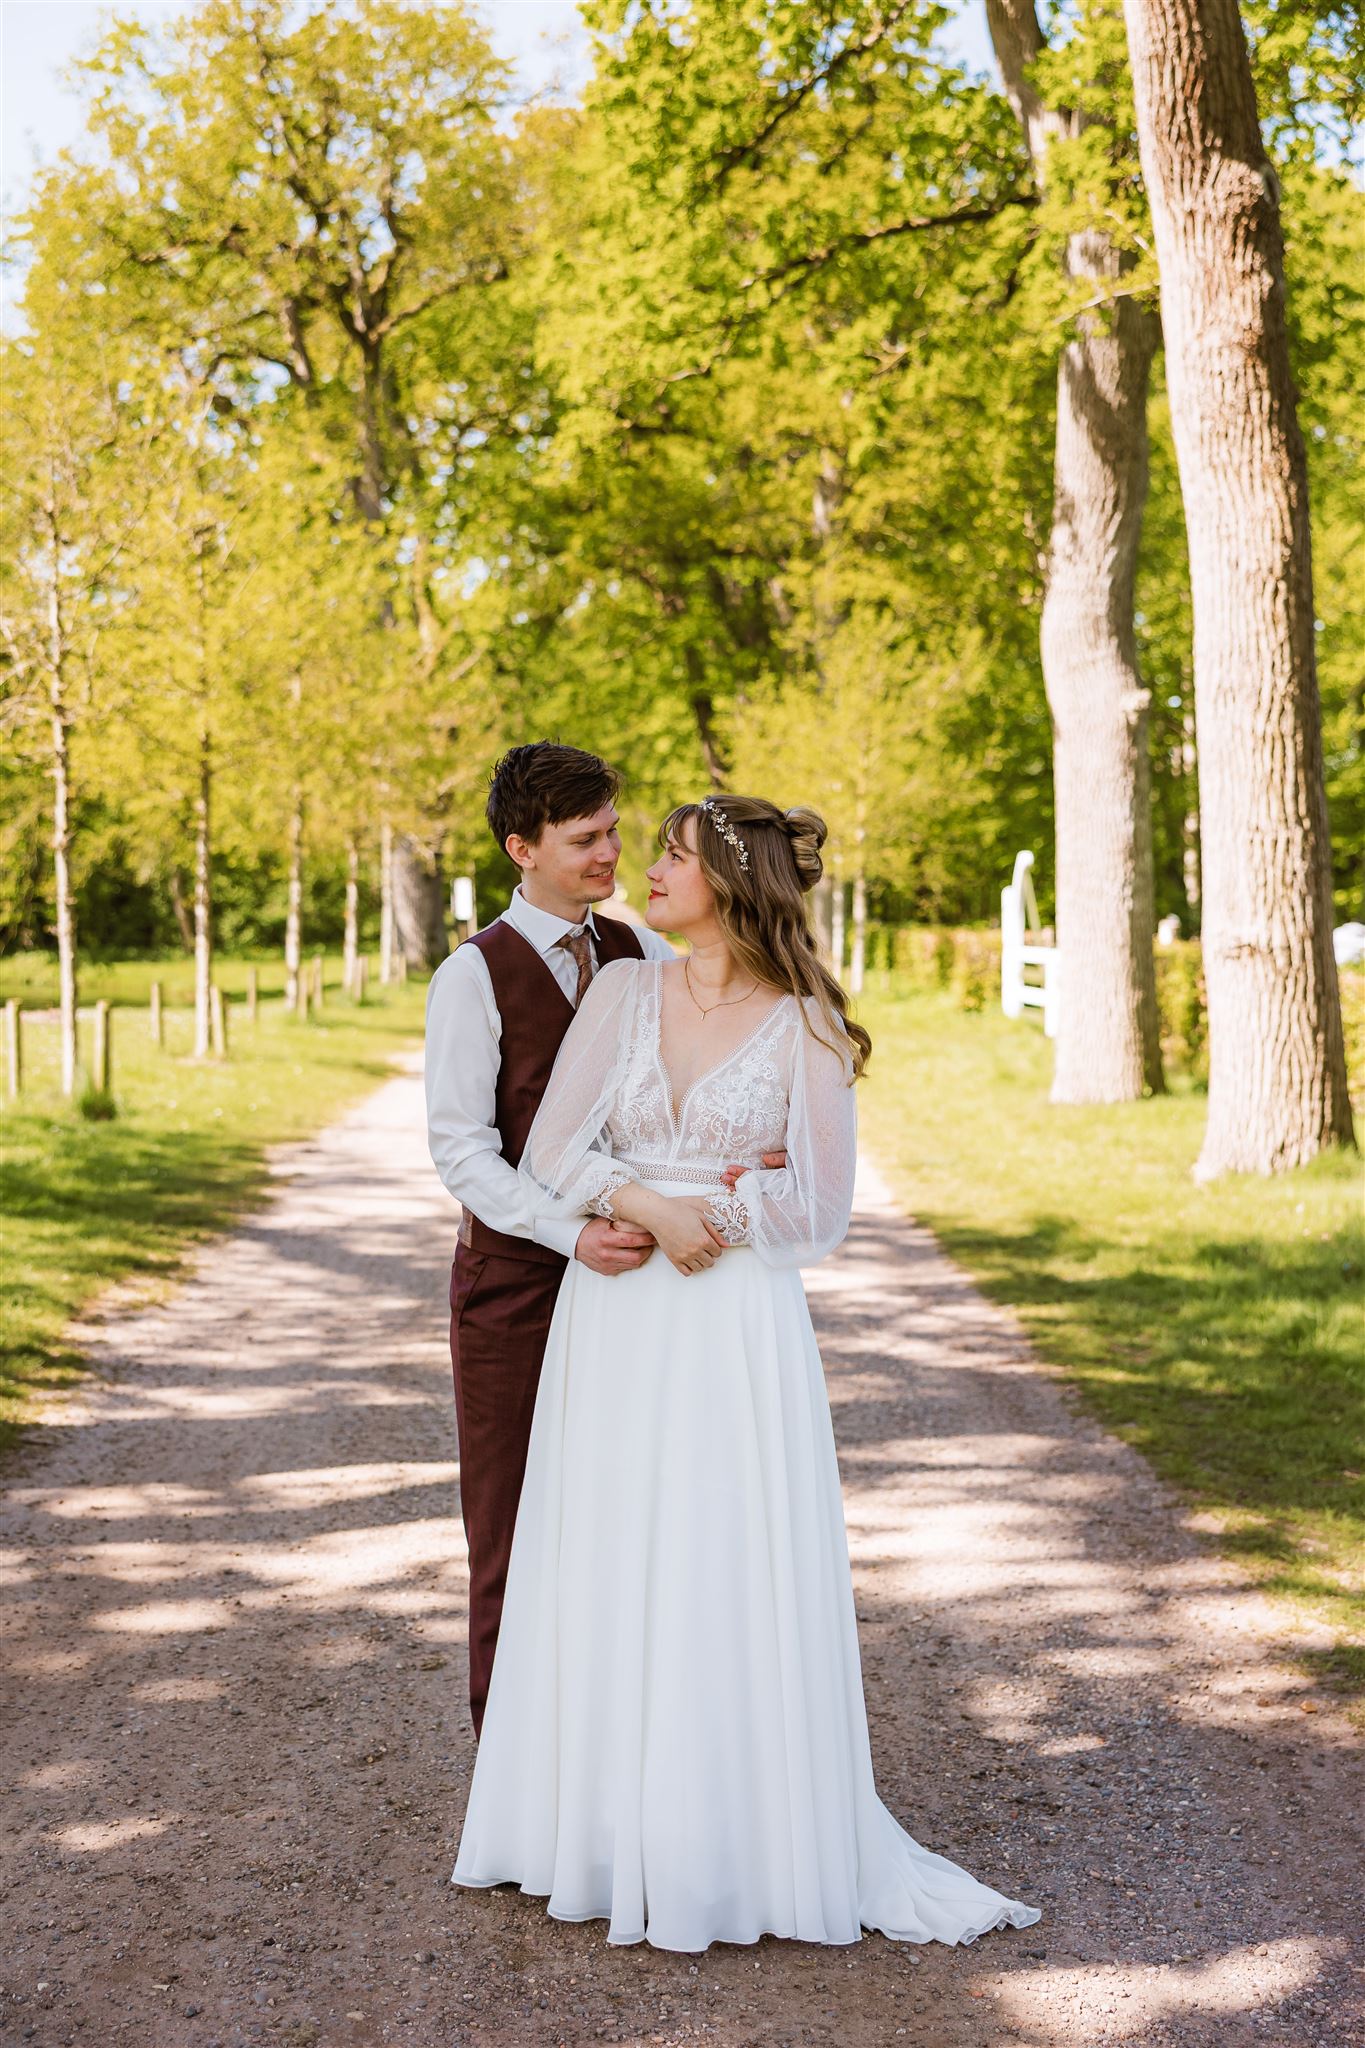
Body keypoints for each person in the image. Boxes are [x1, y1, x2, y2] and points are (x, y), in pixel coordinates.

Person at [450, 793, 1042, 1952]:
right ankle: (596, 1830)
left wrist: (714, 1213)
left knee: (715, 1557)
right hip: (616, 1317)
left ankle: (725, 1838)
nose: (646, 868)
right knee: (606, 1552)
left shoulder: (805, 1021)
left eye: (672, 855)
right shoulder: (624, 990)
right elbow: (554, 1147)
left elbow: (819, 1209)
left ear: (728, 882)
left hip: (731, 1326)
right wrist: (653, 1202)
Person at [424, 742, 676, 1738]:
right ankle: (510, 1759)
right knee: (511, 1527)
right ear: (521, 849)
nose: (610, 853)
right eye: (584, 839)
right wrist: (570, 1234)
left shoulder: (642, 954)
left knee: (624, 1519)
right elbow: (462, 1151)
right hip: (515, 1292)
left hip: (636, 1286)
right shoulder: (472, 976)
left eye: (612, 830)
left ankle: (612, 1745)